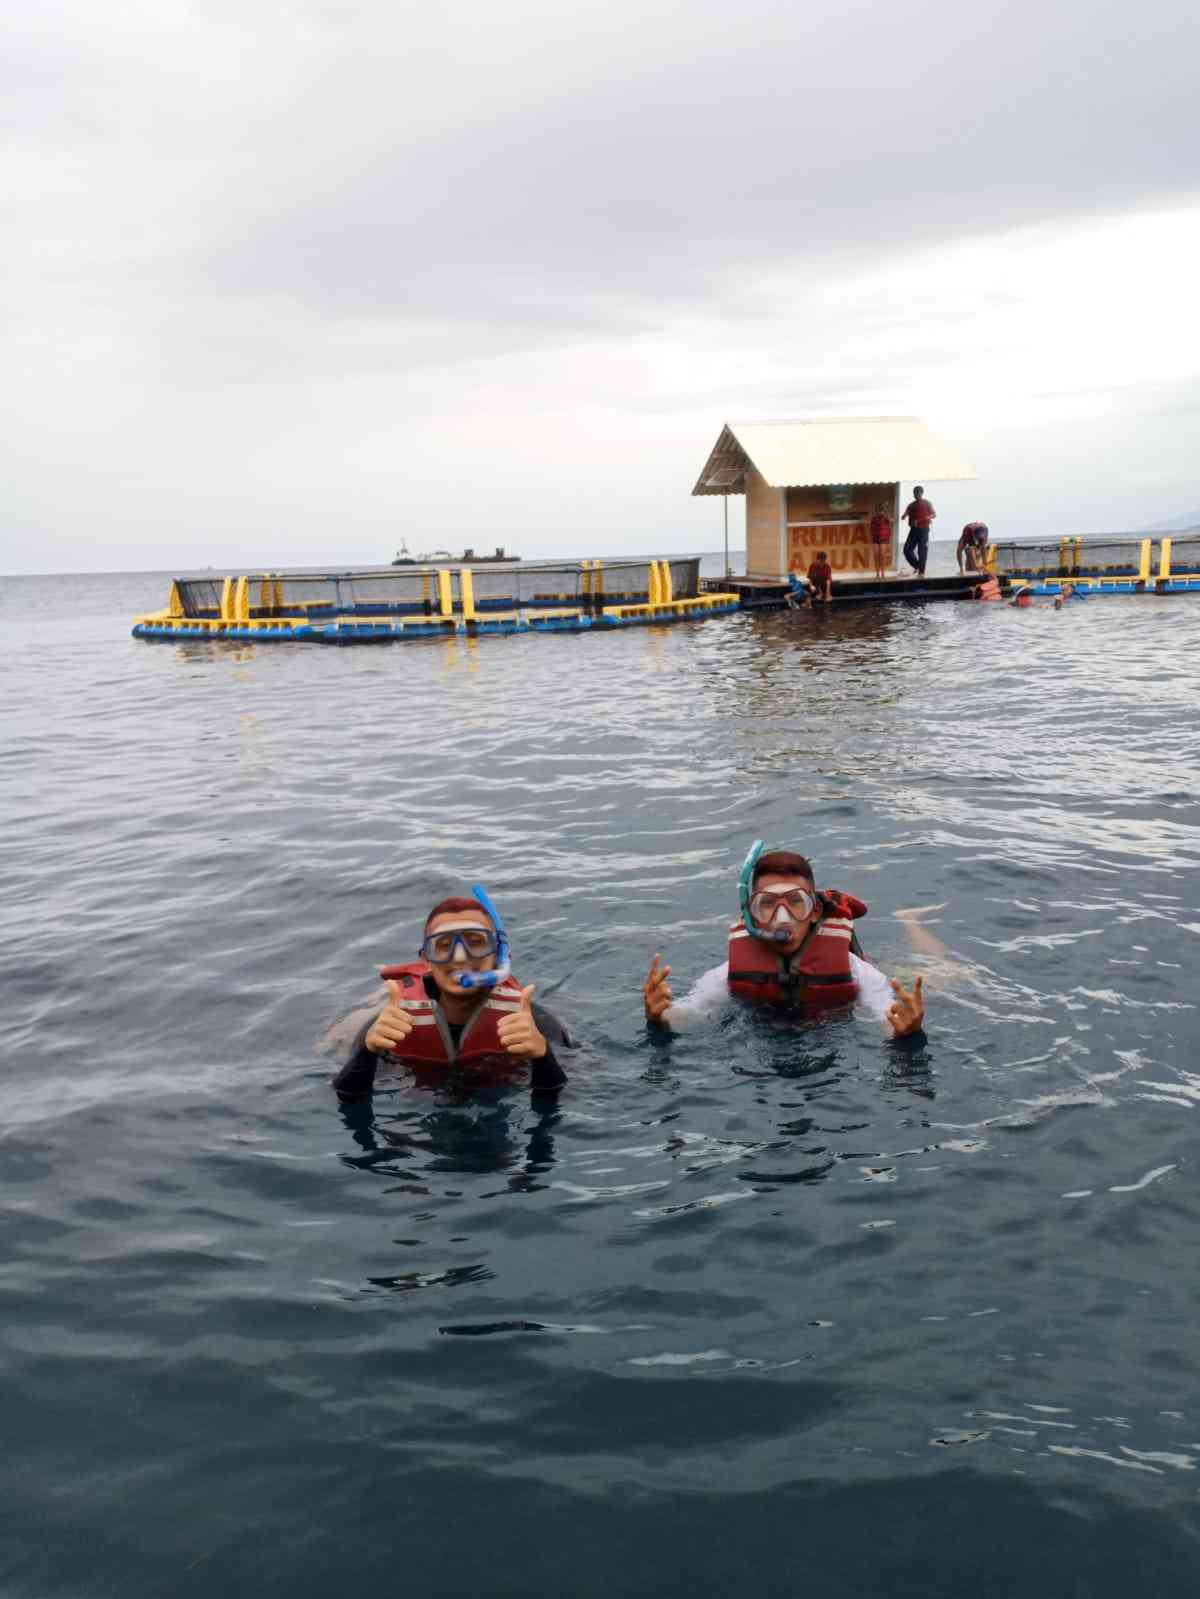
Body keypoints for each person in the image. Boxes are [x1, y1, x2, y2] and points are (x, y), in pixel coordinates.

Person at [642, 843, 925, 1039]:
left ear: (814, 911)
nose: (782, 917)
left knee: (943, 976)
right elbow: (689, 1015)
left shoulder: (857, 971)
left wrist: (905, 1029)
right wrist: (660, 1016)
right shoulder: (725, 974)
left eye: (795, 903)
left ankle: (911, 921)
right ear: (751, 915)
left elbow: (886, 1018)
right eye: (767, 904)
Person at [333, 886, 575, 1098]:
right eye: (444, 946)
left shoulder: (538, 1025)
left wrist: (543, 1055)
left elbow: (565, 1097)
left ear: (500, 956)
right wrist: (368, 1050)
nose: (460, 958)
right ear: (426, 960)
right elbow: (346, 1096)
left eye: (476, 942)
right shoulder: (387, 1026)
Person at [901, 487, 936, 576]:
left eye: (918, 493)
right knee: (907, 550)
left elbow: (934, 514)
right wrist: (904, 515)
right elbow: (906, 513)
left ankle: (921, 572)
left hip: (924, 530)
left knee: (922, 551)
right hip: (914, 530)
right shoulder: (911, 505)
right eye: (915, 493)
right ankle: (917, 566)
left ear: (922, 493)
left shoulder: (927, 503)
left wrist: (927, 518)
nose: (916, 494)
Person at [869, 503, 892, 580]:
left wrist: (885, 509)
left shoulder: (884, 517)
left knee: (882, 556)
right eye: (878, 511)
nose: (879, 512)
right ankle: (877, 574)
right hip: (875, 538)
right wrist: (872, 511)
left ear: (882, 511)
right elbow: (868, 520)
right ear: (876, 511)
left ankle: (883, 573)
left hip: (883, 538)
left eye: (880, 510)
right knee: (876, 555)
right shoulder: (874, 517)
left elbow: (890, 519)